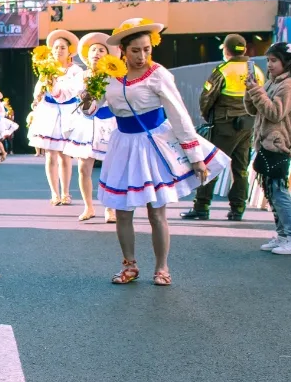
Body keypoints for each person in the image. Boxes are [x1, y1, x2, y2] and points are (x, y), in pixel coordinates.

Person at [93, 18, 228, 286]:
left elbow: (179, 115)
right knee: (122, 210)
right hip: (123, 145)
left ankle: (162, 268)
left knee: (157, 211)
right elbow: (93, 109)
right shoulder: (108, 75)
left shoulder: (158, 74)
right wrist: (88, 96)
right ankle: (129, 265)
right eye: (135, 50)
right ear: (122, 49)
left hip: (154, 145)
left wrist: (196, 158)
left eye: (146, 49)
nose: (142, 56)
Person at [182, 34, 263, 222]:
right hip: (247, 125)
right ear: (243, 50)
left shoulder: (223, 70)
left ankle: (201, 207)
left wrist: (207, 117)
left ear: (226, 50)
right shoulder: (256, 70)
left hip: (224, 125)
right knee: (240, 168)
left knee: (211, 165)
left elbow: (207, 97)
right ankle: (238, 208)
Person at [247, 42, 291, 255]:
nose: (269, 65)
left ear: (288, 62)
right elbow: (254, 109)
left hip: (279, 143)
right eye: (268, 60)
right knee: (272, 191)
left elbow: (275, 113)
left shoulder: (290, 85)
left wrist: (257, 92)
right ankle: (284, 235)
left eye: (274, 60)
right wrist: (251, 92)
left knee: (279, 191)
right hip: (267, 143)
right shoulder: (273, 82)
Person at [67, 32, 119, 223]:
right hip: (86, 124)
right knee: (83, 168)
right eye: (93, 50)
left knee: (110, 168)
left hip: (108, 124)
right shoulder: (81, 76)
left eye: (101, 50)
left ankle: (110, 208)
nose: (96, 53)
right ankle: (88, 207)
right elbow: (75, 96)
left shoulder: (113, 76)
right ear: (87, 56)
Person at [28, 30, 83, 205]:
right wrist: (38, 97)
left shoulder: (75, 70)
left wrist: (57, 89)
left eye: (62, 48)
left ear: (69, 51)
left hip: (68, 112)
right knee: (50, 154)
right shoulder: (46, 68)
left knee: (65, 155)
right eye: (56, 47)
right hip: (50, 111)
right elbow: (39, 89)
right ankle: (54, 193)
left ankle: (66, 192)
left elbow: (74, 90)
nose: (58, 50)